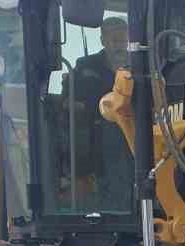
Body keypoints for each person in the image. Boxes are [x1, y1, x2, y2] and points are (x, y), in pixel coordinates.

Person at [70, 16, 134, 211]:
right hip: (97, 134)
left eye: (123, 41)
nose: (119, 46)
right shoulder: (85, 67)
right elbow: (68, 102)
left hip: (135, 130)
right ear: (103, 41)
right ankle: (117, 208)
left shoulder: (140, 66)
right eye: (114, 41)